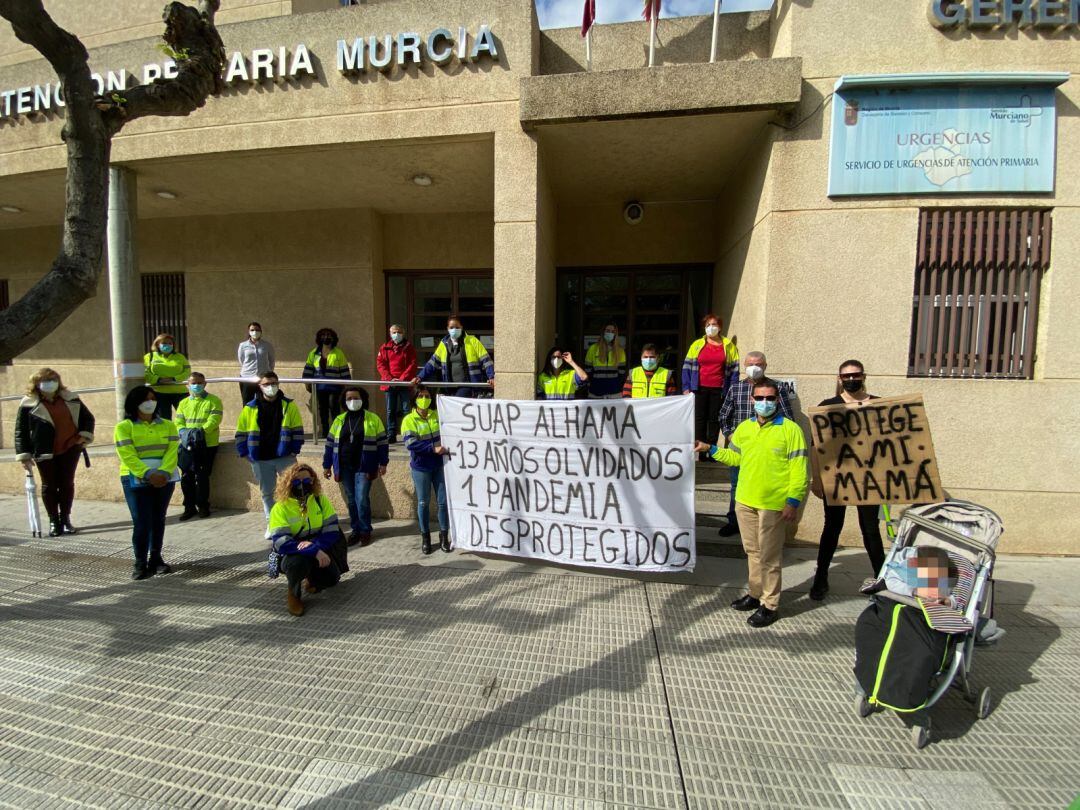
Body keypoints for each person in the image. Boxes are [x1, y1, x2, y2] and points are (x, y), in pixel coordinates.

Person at [695, 378, 809, 628]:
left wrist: (793, 501)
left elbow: (800, 470)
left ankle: (770, 605)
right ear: (752, 400)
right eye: (760, 398)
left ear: (777, 400)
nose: (765, 403)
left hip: (773, 505)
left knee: (769, 556)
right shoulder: (743, 429)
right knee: (753, 552)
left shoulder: (791, 430)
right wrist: (710, 448)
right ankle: (755, 594)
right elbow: (734, 458)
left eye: (769, 398)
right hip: (745, 501)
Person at [809, 359, 886, 601]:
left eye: (855, 375)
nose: (851, 379)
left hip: (869, 479)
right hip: (837, 478)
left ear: (864, 376)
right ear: (839, 379)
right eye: (846, 376)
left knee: (871, 529)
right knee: (832, 528)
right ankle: (821, 577)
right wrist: (817, 479)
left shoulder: (879, 405)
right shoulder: (828, 406)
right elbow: (816, 447)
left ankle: (882, 579)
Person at [716, 352, 794, 537]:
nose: (754, 367)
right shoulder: (736, 388)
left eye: (758, 364)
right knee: (736, 484)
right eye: (750, 363)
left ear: (765, 366)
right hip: (741, 448)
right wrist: (730, 434)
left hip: (768, 448)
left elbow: (788, 417)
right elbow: (723, 415)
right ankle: (735, 521)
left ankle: (763, 522)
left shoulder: (777, 388)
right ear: (744, 365)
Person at [14, 368, 94, 537]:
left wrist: (82, 437)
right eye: (46, 380)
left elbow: (88, 418)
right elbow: (20, 431)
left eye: (53, 379)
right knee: (49, 485)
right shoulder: (28, 403)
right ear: (36, 383)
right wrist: (24, 456)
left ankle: (65, 519)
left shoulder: (70, 398)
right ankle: (53, 521)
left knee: (66, 483)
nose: (50, 383)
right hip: (43, 450)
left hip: (70, 447)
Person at [115, 385, 179, 580]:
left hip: (164, 479)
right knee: (142, 521)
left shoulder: (168, 425)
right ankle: (140, 562)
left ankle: (156, 558)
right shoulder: (124, 427)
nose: (150, 403)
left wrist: (164, 473)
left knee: (158, 518)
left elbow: (172, 450)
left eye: (153, 399)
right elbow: (127, 455)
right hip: (135, 479)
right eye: (146, 400)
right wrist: (147, 473)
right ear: (135, 403)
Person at [268, 461, 346, 617]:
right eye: (296, 481)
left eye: (306, 481)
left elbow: (332, 530)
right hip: (292, 554)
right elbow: (281, 541)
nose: (302, 485)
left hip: (317, 546)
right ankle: (293, 593)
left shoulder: (319, 500)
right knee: (298, 563)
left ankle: (311, 580)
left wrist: (315, 547)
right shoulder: (280, 507)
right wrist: (313, 550)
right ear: (289, 483)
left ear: (313, 481)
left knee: (332, 579)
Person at [236, 372, 305, 535]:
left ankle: (296, 522)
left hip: (285, 456)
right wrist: (245, 453)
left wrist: (295, 450)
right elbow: (241, 432)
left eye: (274, 383)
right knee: (267, 493)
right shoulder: (250, 408)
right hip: (260, 458)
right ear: (259, 386)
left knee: (293, 489)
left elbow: (298, 430)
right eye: (266, 384)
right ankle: (273, 523)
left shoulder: (289, 405)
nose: (270, 387)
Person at [323, 387, 388, 546]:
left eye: (356, 398)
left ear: (363, 399)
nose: (353, 401)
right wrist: (327, 465)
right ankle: (355, 530)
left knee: (361, 499)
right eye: (349, 398)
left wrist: (383, 462)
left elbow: (382, 443)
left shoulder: (373, 419)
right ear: (344, 402)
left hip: (364, 466)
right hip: (344, 466)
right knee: (351, 500)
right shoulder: (339, 420)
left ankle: (365, 530)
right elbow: (330, 444)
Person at [401, 386, 451, 555]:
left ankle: (444, 537)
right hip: (421, 467)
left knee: (443, 502)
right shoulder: (409, 420)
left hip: (439, 466)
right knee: (423, 502)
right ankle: (426, 538)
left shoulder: (437, 415)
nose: (424, 398)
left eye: (427, 395)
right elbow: (411, 444)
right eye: (421, 396)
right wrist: (433, 448)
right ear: (414, 399)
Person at [682, 314, 740, 450]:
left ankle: (712, 450)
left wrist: (732, 390)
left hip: (719, 389)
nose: (711, 327)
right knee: (699, 419)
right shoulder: (697, 345)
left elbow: (734, 371)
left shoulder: (728, 346)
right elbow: (686, 367)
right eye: (708, 325)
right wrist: (686, 387)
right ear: (704, 328)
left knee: (715, 420)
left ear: (720, 327)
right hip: (698, 388)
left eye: (714, 324)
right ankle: (698, 450)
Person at [174, 372, 223, 521]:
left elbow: (215, 419)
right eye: (193, 383)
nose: (196, 385)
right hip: (187, 444)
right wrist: (184, 433)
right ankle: (188, 507)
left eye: (199, 383)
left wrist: (200, 431)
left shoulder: (213, 401)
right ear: (188, 385)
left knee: (202, 476)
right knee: (186, 477)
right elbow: (179, 421)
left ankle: (203, 506)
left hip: (207, 444)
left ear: (205, 384)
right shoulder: (183, 403)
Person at [414, 317, 494, 397]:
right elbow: (432, 363)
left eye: (457, 327)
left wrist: (492, 376)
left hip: (468, 385)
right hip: (449, 387)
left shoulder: (472, 341)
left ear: (461, 327)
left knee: (458, 400)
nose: (454, 330)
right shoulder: (444, 344)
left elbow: (486, 360)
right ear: (447, 329)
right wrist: (420, 377)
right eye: (451, 327)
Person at [303, 327, 351, 438]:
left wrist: (345, 384)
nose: (326, 337)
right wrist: (307, 384)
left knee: (334, 408)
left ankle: (336, 431)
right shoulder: (313, 353)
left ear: (334, 338)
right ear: (319, 338)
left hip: (335, 387)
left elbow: (344, 370)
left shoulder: (338, 353)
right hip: (319, 387)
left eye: (329, 335)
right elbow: (308, 370)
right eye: (323, 335)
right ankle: (325, 432)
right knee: (322, 410)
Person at [376, 324, 417, 443]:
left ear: (403, 333)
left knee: (406, 410)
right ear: (390, 333)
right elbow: (380, 364)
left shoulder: (409, 347)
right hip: (390, 384)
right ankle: (391, 434)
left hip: (404, 383)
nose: (396, 334)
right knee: (390, 410)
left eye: (398, 332)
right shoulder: (385, 347)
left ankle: (407, 433)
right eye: (394, 332)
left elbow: (412, 364)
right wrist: (389, 379)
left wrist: (402, 379)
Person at [143, 333, 191, 418]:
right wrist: (158, 379)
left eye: (170, 343)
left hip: (180, 392)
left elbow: (187, 371)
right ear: (157, 344)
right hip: (159, 393)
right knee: (164, 420)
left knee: (187, 417)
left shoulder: (180, 357)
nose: (167, 345)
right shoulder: (149, 356)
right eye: (164, 343)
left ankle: (186, 432)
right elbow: (145, 372)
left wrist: (174, 378)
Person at [584, 323, 627, 399]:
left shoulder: (620, 351)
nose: (610, 333)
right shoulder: (593, 349)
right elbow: (588, 371)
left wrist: (616, 386)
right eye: (607, 330)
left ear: (615, 334)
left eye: (613, 331)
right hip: (595, 392)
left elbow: (622, 374)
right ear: (603, 332)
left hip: (614, 393)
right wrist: (592, 385)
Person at [237, 321, 275, 405]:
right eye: (252, 330)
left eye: (257, 330)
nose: (255, 332)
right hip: (247, 377)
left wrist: (267, 373)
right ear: (249, 332)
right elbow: (241, 360)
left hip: (263, 378)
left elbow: (271, 361)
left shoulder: (267, 345)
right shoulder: (243, 346)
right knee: (247, 403)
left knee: (264, 401)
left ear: (261, 331)